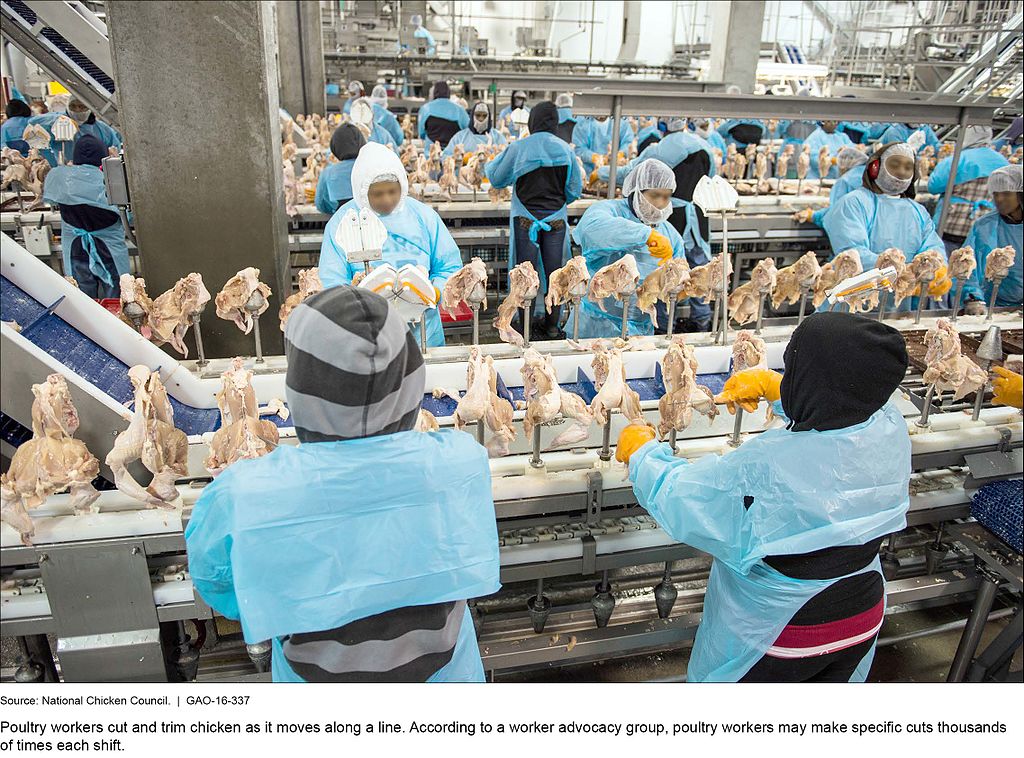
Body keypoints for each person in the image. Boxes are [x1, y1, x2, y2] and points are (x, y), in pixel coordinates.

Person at [185, 285, 501, 682]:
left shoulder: (244, 495)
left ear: (301, 395)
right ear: (411, 386)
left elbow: (220, 584)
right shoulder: (459, 460)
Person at [616, 312, 911, 682]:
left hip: (784, 630)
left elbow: (688, 500)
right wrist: (779, 390)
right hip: (861, 613)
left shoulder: (774, 465)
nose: (786, 376)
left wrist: (643, 456)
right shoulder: (888, 429)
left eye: (791, 370)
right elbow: (842, 406)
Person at [318, 143, 462, 346]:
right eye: (377, 194)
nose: (387, 200)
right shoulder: (344, 223)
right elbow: (331, 280)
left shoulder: (423, 216)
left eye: (392, 191)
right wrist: (356, 302)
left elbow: (449, 267)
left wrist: (434, 292)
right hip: (366, 333)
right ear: (362, 191)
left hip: (423, 332)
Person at [572, 159, 702, 337]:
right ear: (637, 191)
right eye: (655, 195)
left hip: (640, 327)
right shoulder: (609, 210)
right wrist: (645, 235)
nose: (661, 203)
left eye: (666, 196)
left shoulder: (670, 235)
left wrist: (684, 288)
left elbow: (676, 283)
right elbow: (592, 227)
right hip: (596, 321)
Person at [485, 102, 583, 338]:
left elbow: (497, 178)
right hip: (556, 222)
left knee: (523, 275)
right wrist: (554, 204)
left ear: (532, 120)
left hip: (525, 221)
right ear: (554, 121)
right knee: (555, 275)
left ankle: (524, 324)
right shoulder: (565, 150)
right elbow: (574, 189)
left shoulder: (519, 148)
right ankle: (552, 326)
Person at [823, 142, 948, 312]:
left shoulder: (917, 211)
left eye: (908, 167)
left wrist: (937, 267)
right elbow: (853, 253)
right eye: (895, 164)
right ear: (876, 167)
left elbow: (932, 245)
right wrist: (900, 274)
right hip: (851, 305)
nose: (902, 171)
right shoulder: (854, 203)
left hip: (896, 309)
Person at [41, 135, 130, 299]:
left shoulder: (61, 178)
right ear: (102, 158)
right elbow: (128, 216)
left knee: (83, 300)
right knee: (117, 301)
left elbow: (51, 200)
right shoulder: (111, 182)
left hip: (76, 252)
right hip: (110, 253)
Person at [927, 126, 1008, 253]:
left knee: (944, 267)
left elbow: (933, 186)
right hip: (983, 227)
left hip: (950, 225)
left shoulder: (958, 159)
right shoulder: (1003, 162)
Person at [962, 165, 1023, 309]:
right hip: (992, 305)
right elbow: (967, 265)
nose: (999, 199)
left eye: (1007, 193)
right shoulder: (984, 226)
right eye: (996, 193)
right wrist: (973, 297)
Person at [794, 146, 869, 228]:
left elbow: (836, 212)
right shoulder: (869, 174)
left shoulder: (845, 182)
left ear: (843, 165)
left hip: (855, 229)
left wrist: (813, 216)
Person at [314, 123, 366, 215]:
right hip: (373, 224)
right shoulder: (371, 168)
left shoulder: (328, 173)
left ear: (335, 147)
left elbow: (321, 205)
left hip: (341, 223)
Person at [417, 81, 469, 150]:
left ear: (434, 93)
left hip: (432, 153)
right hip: (453, 152)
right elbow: (468, 130)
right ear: (449, 92)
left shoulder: (425, 108)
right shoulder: (459, 109)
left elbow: (422, 133)